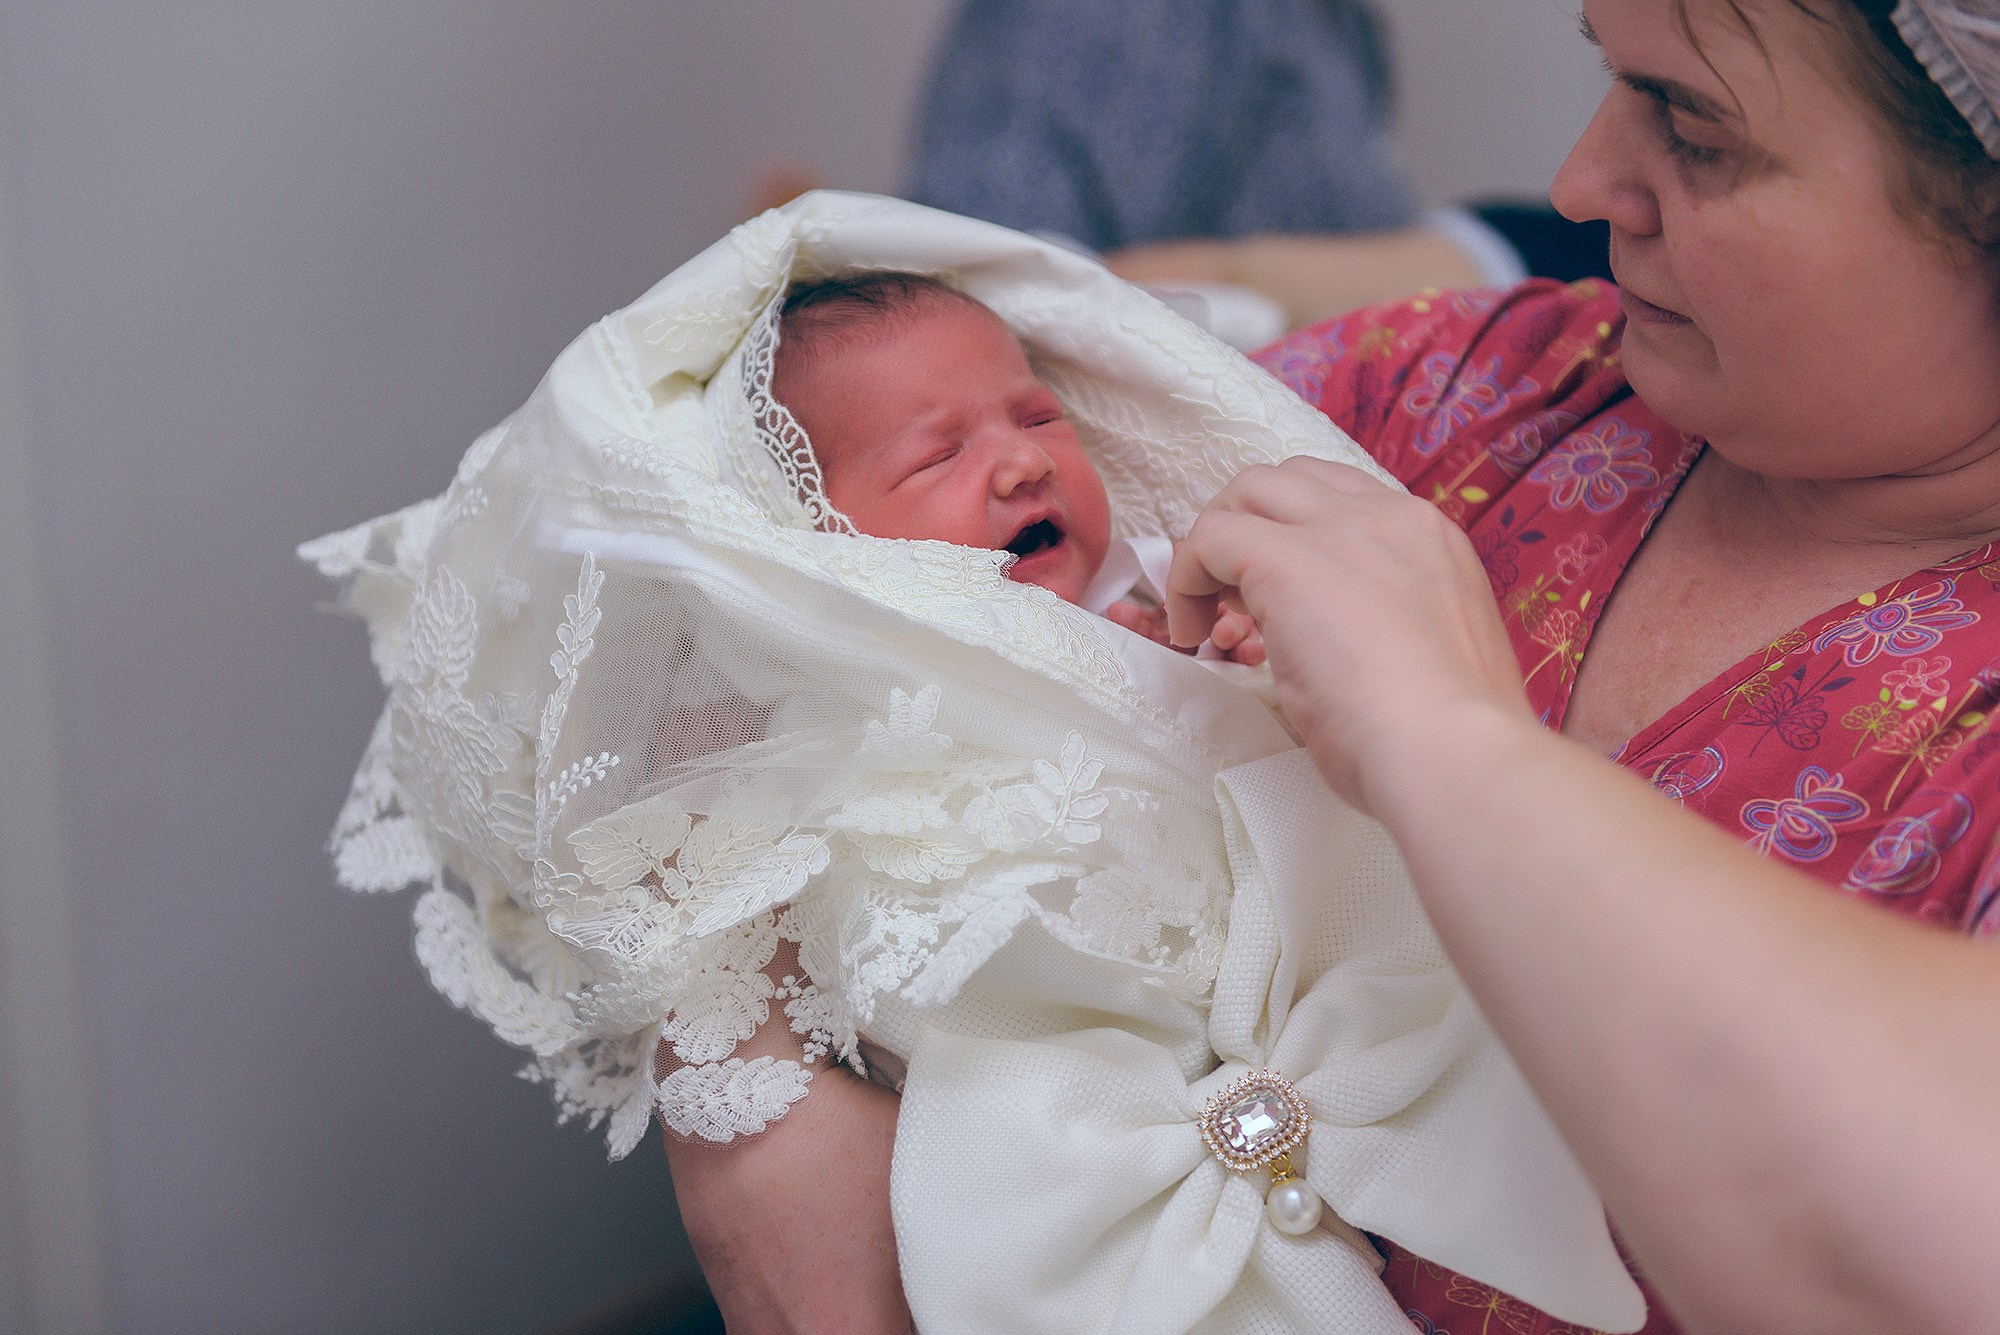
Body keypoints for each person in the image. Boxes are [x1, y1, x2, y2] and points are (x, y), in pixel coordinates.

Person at [1156, 0, 2000, 1331]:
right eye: (1614, 78)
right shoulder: (1461, 391)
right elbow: (865, 549)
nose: (1578, 184)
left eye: (1695, 131)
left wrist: (1443, 739)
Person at [769, 270, 1262, 660]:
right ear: (822, 530)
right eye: (940, 457)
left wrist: (1202, 656)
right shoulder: (856, 682)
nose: (1029, 461)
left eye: (1040, 420)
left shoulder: (1153, 594)